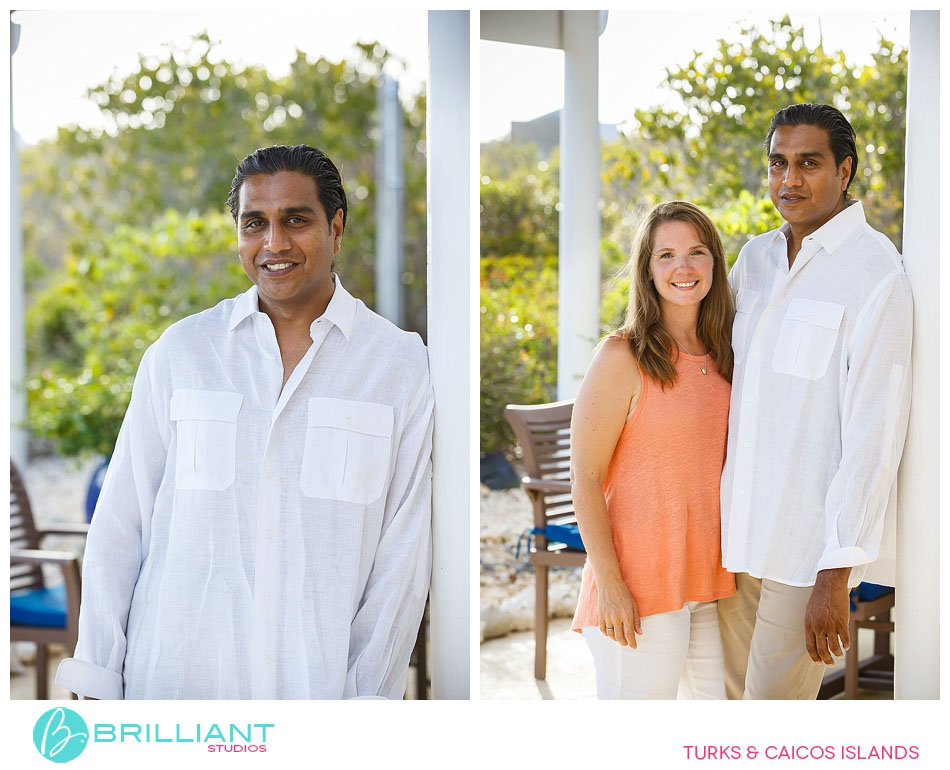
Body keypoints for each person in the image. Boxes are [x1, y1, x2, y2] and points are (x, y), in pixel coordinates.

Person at [55, 145, 434, 699]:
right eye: (255, 223)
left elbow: (401, 559)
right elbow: (120, 524)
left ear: (336, 228)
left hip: (316, 691)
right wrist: (97, 676)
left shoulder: (398, 366)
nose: (274, 243)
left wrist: (367, 703)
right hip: (174, 686)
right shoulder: (182, 353)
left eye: (296, 220)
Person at [718, 103, 913, 700]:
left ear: (844, 170)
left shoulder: (877, 274)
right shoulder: (754, 260)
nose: (789, 180)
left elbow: (874, 433)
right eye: (778, 163)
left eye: (809, 163)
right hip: (734, 532)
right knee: (725, 709)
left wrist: (837, 571)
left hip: (806, 546)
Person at [571, 201, 736, 699]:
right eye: (666, 255)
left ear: (714, 262)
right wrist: (611, 585)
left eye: (696, 252)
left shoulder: (726, 354)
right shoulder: (622, 355)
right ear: (647, 269)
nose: (683, 267)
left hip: (706, 585)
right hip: (637, 588)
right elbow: (584, 478)